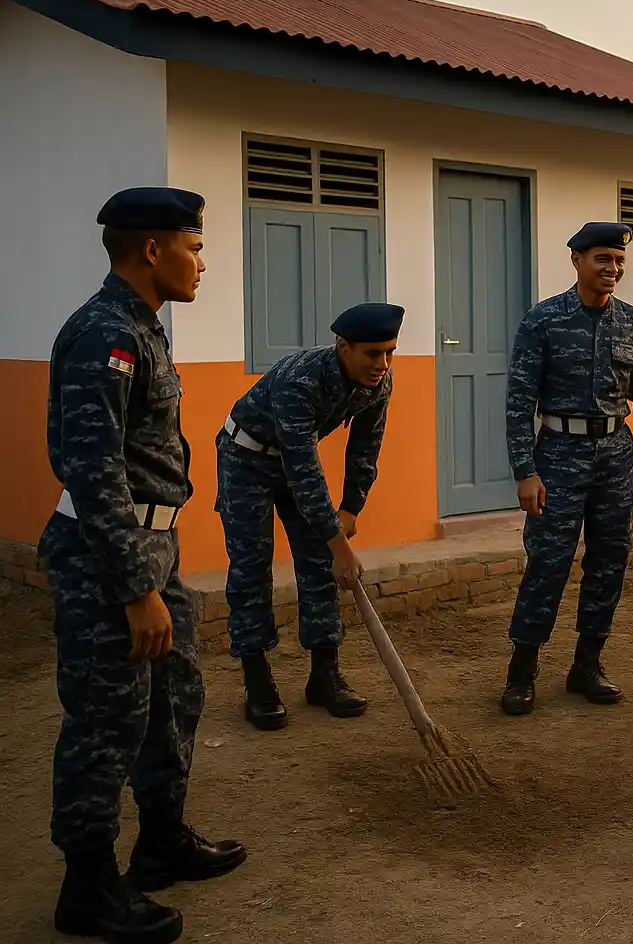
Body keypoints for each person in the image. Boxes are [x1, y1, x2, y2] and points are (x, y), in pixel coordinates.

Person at [43, 188, 244, 943]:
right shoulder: (105, 334)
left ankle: (161, 841)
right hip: (108, 557)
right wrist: (135, 588)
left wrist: (156, 574)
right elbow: (93, 470)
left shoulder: (141, 327)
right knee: (106, 718)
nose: (202, 264)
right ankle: (87, 888)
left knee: (172, 698)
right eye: (194, 247)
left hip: (153, 548)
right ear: (153, 250)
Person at [501, 221, 633, 716]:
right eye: (602, 259)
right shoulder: (543, 320)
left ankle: (587, 664)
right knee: (548, 562)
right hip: (557, 453)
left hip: (616, 454)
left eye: (619, 261)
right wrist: (525, 470)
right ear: (577, 260)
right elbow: (519, 401)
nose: (612, 268)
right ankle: (522, 671)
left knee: (610, 560)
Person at [219, 301, 403, 731]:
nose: (382, 363)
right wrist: (339, 544)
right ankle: (257, 681)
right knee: (251, 568)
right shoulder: (300, 380)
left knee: (319, 565)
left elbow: (365, 449)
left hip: (293, 461)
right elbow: (303, 469)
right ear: (343, 347)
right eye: (372, 353)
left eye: (389, 352)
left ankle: (324, 676)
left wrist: (351, 508)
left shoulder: (378, 384)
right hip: (246, 459)